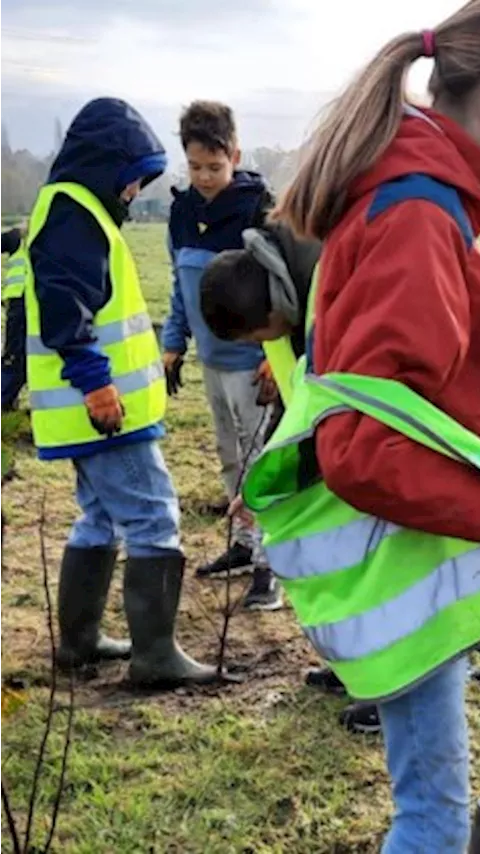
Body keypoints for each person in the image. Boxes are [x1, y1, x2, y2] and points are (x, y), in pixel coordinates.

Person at [239, 2, 480, 850]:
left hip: (446, 539)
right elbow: (363, 449)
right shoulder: (415, 217)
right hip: (408, 555)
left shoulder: (433, 208)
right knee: (432, 816)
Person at [12, 98, 216, 687]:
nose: (134, 191)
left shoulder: (73, 209)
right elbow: (63, 311)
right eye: (133, 178)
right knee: (153, 516)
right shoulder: (75, 213)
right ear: (107, 165)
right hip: (103, 413)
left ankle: (78, 642)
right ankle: (156, 657)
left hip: (88, 414)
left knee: (98, 518)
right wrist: (98, 385)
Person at [201, 220, 389, 731]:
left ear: (269, 312)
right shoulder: (287, 288)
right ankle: (356, 668)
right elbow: (298, 407)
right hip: (353, 430)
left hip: (399, 428)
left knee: (380, 560)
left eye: (256, 336)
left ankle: (389, 686)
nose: (263, 345)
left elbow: (336, 401)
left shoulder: (328, 290)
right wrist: (261, 485)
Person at [159, 101, 277, 594]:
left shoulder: (259, 209)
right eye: (195, 167)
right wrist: (172, 344)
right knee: (229, 455)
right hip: (211, 361)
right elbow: (180, 285)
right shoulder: (182, 213)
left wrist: (276, 355)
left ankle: (272, 565)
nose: (205, 177)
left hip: (253, 362)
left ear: (235, 154)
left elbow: (285, 287)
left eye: (215, 166)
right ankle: (246, 544)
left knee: (260, 462)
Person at [0, 226, 28, 410]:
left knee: (21, 355)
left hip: (24, 302)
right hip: (20, 301)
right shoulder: (22, 237)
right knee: (15, 355)